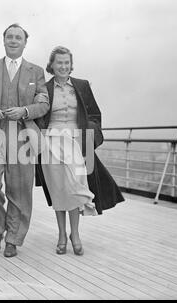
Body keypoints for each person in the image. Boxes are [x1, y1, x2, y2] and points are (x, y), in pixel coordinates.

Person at [35, 46, 124, 256]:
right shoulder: (43, 88)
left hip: (76, 144)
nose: (63, 66)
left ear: (71, 65)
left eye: (67, 63)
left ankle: (75, 234)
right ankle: (61, 235)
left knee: (75, 188)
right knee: (58, 190)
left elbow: (94, 115)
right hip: (51, 144)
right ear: (52, 65)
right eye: (59, 63)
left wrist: (89, 140)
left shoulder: (82, 86)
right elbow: (38, 117)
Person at [0, 24, 49, 258]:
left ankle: (13, 239)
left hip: (23, 137)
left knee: (20, 190)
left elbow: (44, 103)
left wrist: (25, 111)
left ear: (25, 42)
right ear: (3, 40)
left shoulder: (35, 72)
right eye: (9, 37)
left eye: (18, 37)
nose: (14, 40)